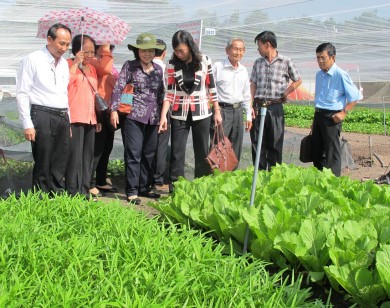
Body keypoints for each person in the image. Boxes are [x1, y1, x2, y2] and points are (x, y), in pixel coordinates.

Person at [159, 30, 222, 193]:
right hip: (179, 112)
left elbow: (211, 86)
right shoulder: (172, 65)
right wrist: (164, 116)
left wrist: (216, 109)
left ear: (190, 46)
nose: (179, 54)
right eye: (176, 50)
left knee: (202, 150)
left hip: (202, 111)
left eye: (182, 50)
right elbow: (170, 92)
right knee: (177, 151)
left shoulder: (204, 61)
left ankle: (202, 186)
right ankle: (176, 188)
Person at [16, 23, 72, 195]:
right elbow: (22, 92)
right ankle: (40, 197)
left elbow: (64, 92)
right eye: (61, 43)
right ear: (49, 39)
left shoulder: (64, 64)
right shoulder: (33, 59)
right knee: (43, 159)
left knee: (60, 160)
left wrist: (68, 120)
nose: (64, 48)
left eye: (67, 44)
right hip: (42, 114)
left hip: (62, 115)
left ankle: (55, 195)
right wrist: (27, 123)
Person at [110, 33, 165, 205]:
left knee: (149, 154)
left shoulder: (158, 69)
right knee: (134, 153)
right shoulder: (130, 66)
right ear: (137, 51)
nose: (147, 54)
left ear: (155, 51)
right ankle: (132, 191)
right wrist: (114, 110)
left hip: (153, 117)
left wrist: (164, 117)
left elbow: (161, 94)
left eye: (150, 51)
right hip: (133, 116)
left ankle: (144, 187)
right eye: (143, 51)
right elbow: (119, 88)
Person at [250, 31, 302, 171]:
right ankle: (258, 175)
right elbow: (253, 83)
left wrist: (286, 92)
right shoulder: (258, 63)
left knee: (275, 142)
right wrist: (250, 105)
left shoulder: (286, 61)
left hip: (275, 107)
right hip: (259, 106)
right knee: (257, 142)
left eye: (259, 45)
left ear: (267, 45)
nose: (258, 49)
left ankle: (274, 175)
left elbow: (297, 80)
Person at [312, 42, 362, 176]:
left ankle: (333, 182)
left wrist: (343, 112)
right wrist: (314, 121)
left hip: (332, 117)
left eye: (323, 58)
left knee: (332, 151)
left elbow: (355, 97)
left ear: (332, 57)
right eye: (317, 58)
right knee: (316, 150)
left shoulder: (340, 74)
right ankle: (320, 178)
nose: (320, 61)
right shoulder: (319, 75)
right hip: (318, 115)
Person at [66, 34, 101, 199]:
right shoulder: (67, 65)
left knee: (87, 155)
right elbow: (64, 84)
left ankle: (84, 189)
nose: (89, 55)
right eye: (85, 52)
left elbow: (94, 93)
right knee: (75, 156)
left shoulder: (92, 69)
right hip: (74, 117)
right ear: (76, 51)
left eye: (92, 52)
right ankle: (73, 191)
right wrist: (75, 64)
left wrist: (97, 118)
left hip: (90, 117)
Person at [212, 37, 252, 165]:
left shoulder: (243, 70)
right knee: (219, 143)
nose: (238, 52)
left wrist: (249, 116)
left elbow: (246, 94)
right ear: (227, 50)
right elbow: (210, 89)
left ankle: (233, 175)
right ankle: (217, 175)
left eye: (241, 50)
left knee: (236, 144)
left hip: (238, 111)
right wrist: (216, 110)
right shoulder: (218, 67)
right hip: (222, 110)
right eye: (235, 49)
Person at [89, 44, 119, 196]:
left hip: (109, 111)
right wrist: (105, 50)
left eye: (111, 49)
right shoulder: (95, 63)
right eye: (107, 49)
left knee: (106, 148)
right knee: (97, 150)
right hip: (97, 112)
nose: (109, 53)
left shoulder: (108, 65)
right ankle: (90, 182)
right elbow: (104, 71)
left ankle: (100, 180)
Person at [152, 38, 170, 188]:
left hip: (143, 112)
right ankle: (157, 178)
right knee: (161, 144)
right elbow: (168, 94)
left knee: (147, 144)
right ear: (164, 53)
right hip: (163, 109)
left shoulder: (141, 67)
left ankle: (145, 176)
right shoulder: (166, 69)